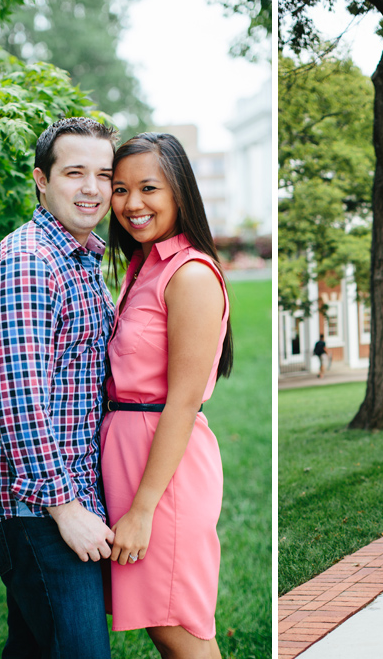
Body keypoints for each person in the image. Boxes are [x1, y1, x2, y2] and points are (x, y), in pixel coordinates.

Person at [0, 117, 119, 657]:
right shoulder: (30, 264)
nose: (93, 188)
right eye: (75, 172)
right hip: (30, 505)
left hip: (57, 493)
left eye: (104, 174)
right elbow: (23, 400)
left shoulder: (78, 258)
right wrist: (66, 508)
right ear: (41, 179)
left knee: (32, 646)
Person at [100, 132, 233, 659]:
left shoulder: (192, 274)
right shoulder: (144, 263)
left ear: (180, 191)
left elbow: (182, 401)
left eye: (148, 188)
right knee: (165, 625)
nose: (132, 203)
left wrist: (143, 508)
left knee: (179, 631)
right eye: (120, 189)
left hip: (164, 471)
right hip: (130, 453)